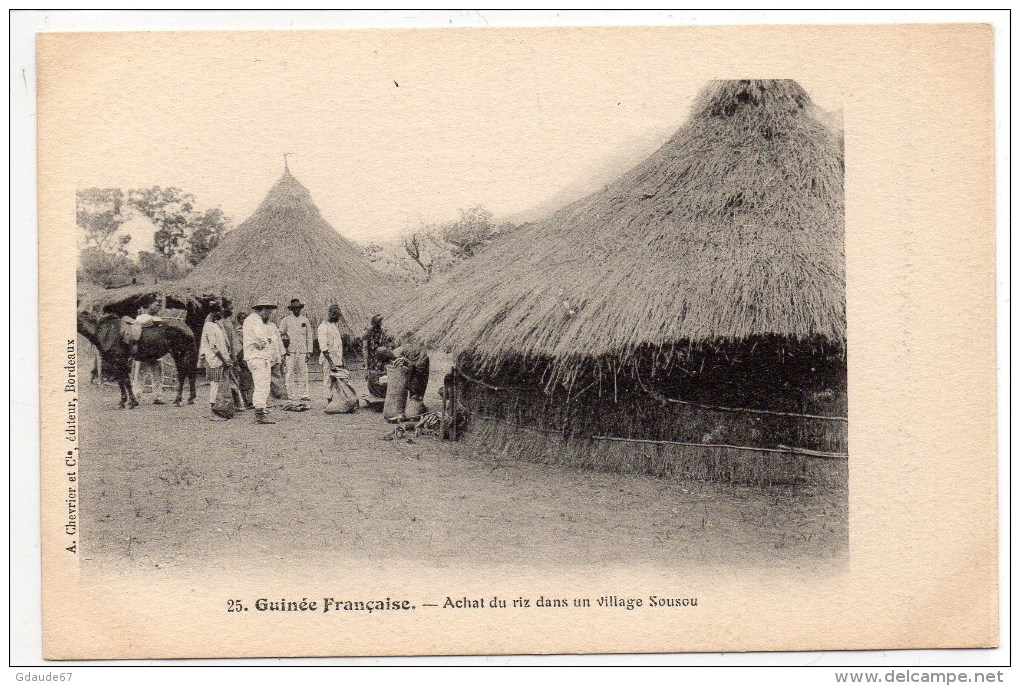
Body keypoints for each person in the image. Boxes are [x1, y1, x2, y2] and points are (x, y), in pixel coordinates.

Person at [243, 299, 279, 424]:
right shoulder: (256, 320)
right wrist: (265, 341)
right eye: (267, 311)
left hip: (254, 356)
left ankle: (261, 409)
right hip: (258, 357)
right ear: (261, 310)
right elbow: (260, 338)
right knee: (262, 385)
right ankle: (259, 413)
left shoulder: (250, 320)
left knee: (261, 384)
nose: (269, 314)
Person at [199, 307, 232, 421]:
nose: (220, 315)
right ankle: (214, 412)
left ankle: (221, 410)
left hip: (221, 360)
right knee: (215, 385)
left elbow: (222, 344)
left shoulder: (216, 326)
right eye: (218, 312)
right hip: (215, 360)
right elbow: (214, 346)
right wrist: (223, 360)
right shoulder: (208, 326)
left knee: (220, 385)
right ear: (213, 313)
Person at [131, 300, 166, 405]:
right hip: (144, 351)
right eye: (155, 305)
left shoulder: (159, 319)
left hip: (156, 351)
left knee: (158, 374)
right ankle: (136, 396)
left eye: (158, 306)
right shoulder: (141, 317)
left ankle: (158, 397)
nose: (157, 308)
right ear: (149, 306)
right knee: (140, 374)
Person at [278, 298, 313, 401]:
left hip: (302, 351)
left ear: (300, 308)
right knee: (289, 373)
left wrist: (309, 351)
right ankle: (291, 395)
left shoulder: (305, 320)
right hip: (290, 351)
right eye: (294, 308)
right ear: (291, 309)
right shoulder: (286, 320)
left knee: (303, 373)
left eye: (298, 307)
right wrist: (284, 349)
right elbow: (280, 334)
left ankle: (304, 395)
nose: (296, 309)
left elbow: (309, 336)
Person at [317, 304, 345, 401]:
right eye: (337, 316)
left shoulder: (333, 326)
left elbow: (338, 345)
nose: (338, 319)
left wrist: (341, 360)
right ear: (332, 315)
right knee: (328, 380)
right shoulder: (323, 327)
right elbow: (323, 348)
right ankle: (329, 401)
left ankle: (337, 400)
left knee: (337, 380)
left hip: (337, 358)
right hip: (328, 359)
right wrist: (331, 363)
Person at [363, 314, 395, 398]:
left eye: (380, 323)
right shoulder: (367, 333)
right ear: (373, 324)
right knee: (373, 376)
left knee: (383, 376)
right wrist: (366, 365)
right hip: (372, 359)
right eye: (378, 323)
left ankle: (382, 394)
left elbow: (389, 345)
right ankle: (374, 394)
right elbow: (365, 349)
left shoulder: (384, 332)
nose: (380, 324)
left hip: (382, 358)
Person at [233, 310, 255, 409]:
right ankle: (245, 401)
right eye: (242, 318)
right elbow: (238, 347)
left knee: (251, 379)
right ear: (239, 320)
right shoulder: (237, 332)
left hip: (251, 356)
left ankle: (250, 401)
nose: (244, 320)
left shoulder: (251, 330)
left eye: (245, 318)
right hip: (242, 357)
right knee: (242, 380)